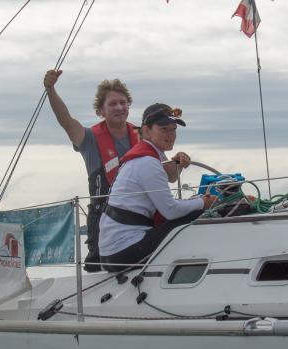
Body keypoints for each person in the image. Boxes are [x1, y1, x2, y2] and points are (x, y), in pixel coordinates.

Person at [44, 70, 184, 270]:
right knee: (98, 271)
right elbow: (66, 120)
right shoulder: (89, 139)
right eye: (112, 104)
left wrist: (179, 164)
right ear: (101, 110)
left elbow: (170, 177)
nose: (119, 107)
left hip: (142, 220)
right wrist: (50, 89)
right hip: (103, 220)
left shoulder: (145, 136)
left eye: (123, 102)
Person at [98, 103, 218, 271]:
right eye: (164, 129)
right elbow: (170, 211)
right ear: (146, 131)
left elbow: (170, 177)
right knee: (198, 215)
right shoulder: (147, 162)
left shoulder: (148, 155)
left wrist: (178, 164)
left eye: (173, 129)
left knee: (192, 210)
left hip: (111, 251)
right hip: (123, 251)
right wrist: (203, 202)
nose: (171, 135)